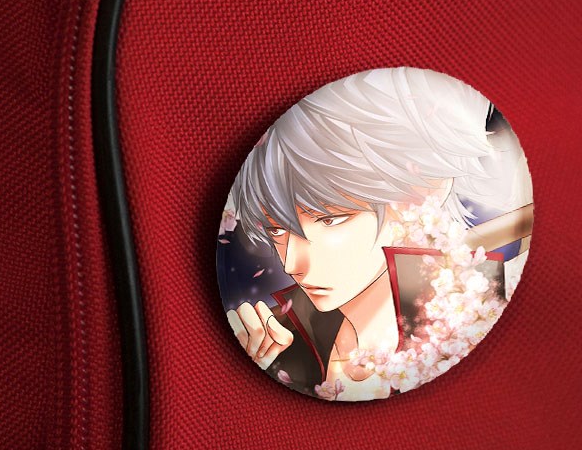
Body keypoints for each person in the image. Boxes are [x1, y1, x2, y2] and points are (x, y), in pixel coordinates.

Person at [222, 67, 533, 400]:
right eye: (276, 229)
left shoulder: (482, 304)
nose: (292, 264)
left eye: (330, 220)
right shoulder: (282, 337)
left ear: (419, 194)